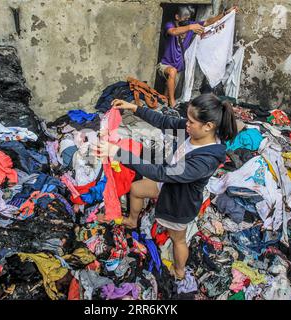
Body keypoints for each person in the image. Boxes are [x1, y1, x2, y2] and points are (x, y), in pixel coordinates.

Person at [93, 93, 237, 279]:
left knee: (178, 240)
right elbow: (164, 121)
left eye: (192, 121)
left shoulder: (205, 160)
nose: (186, 123)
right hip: (167, 185)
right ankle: (132, 220)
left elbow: (161, 173)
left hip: (179, 202)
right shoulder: (191, 131)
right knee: (136, 189)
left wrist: (118, 153)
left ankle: (179, 271)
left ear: (208, 126)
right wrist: (134, 108)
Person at [157, 5, 205, 108]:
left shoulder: (190, 25)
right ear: (177, 17)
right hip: (164, 66)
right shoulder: (170, 25)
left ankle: (164, 105)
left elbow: (208, 22)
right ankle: (172, 103)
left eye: (188, 19)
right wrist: (190, 27)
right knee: (172, 72)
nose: (187, 21)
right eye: (185, 18)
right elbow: (173, 32)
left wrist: (224, 14)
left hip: (180, 69)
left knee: (168, 91)